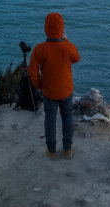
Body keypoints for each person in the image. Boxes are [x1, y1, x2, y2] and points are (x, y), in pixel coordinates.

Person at [28, 12, 80, 160]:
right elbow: (76, 58)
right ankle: (67, 149)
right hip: (66, 90)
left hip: (48, 90)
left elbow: (32, 72)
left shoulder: (39, 49)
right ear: (61, 29)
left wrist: (40, 85)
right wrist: (66, 40)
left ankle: (51, 151)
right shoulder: (67, 47)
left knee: (50, 119)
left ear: (46, 28)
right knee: (67, 117)